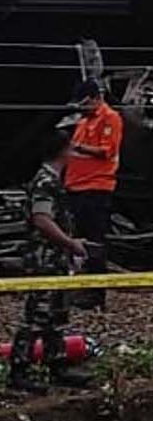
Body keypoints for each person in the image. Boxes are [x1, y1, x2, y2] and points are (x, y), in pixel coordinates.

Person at [9, 128, 88, 393]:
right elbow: (42, 220)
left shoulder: (53, 180)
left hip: (55, 258)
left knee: (55, 314)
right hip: (44, 257)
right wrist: (70, 243)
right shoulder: (45, 182)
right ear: (63, 150)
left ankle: (57, 364)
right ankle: (19, 368)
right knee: (37, 315)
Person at [63, 78, 123, 312]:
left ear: (97, 98)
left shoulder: (110, 118)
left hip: (96, 188)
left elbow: (106, 151)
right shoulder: (83, 121)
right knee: (77, 242)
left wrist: (76, 148)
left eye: (86, 103)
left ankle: (97, 294)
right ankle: (81, 288)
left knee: (95, 241)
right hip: (76, 187)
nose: (82, 107)